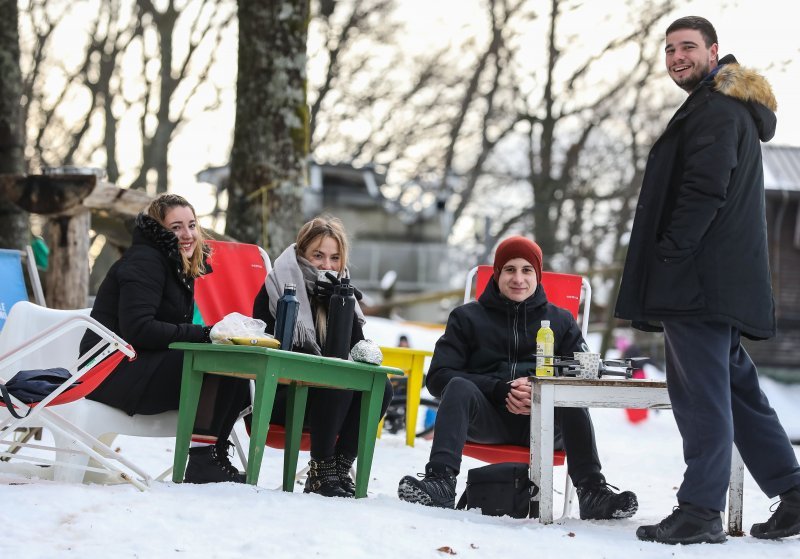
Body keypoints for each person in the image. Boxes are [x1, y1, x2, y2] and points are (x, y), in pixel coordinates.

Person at [615, 16, 800, 544]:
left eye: (688, 47)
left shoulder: (717, 110)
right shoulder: (724, 108)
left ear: (714, 51)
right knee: (737, 394)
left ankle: (699, 511)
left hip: (696, 282)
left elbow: (704, 189)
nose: (677, 57)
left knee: (701, 399)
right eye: (670, 49)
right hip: (719, 284)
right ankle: (794, 491)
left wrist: (670, 254)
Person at [398, 235, 638, 520]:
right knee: (458, 385)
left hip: (547, 424)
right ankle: (440, 482)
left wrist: (539, 392)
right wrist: (500, 389)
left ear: (537, 275)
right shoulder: (467, 318)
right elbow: (438, 377)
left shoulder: (561, 321)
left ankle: (592, 492)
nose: (518, 278)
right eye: (510, 269)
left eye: (527, 270)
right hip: (487, 420)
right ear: (497, 274)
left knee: (571, 395)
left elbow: (582, 375)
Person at [81, 193, 251, 484]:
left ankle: (210, 455)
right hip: (111, 371)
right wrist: (205, 334)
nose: (187, 235)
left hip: (139, 364)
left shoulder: (173, 265)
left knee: (233, 366)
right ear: (159, 229)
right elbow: (141, 330)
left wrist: (212, 336)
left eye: (191, 225)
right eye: (176, 227)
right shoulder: (145, 262)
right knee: (216, 362)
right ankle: (202, 460)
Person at [252, 215, 393, 498]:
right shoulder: (278, 287)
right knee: (336, 376)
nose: (327, 266)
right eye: (318, 255)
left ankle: (339, 467)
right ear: (301, 253)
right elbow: (278, 349)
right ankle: (321, 471)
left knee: (381, 387)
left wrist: (341, 306)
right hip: (284, 391)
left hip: (328, 399)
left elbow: (358, 352)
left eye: (335, 258)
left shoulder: (342, 293)